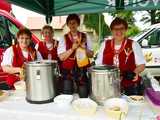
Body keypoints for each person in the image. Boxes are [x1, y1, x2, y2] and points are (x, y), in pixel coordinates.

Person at [96, 17, 146, 95]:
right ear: (112, 31)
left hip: (130, 86)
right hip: (109, 86)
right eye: (115, 29)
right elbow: (99, 65)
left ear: (126, 30)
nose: (119, 31)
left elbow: (142, 64)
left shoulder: (133, 44)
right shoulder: (104, 44)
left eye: (122, 28)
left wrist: (135, 72)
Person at [58, 14, 94, 98]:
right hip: (68, 71)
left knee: (84, 95)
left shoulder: (85, 36)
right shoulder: (64, 38)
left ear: (78, 24)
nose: (72, 25)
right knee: (67, 96)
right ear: (67, 25)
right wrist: (72, 49)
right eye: (70, 23)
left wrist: (85, 49)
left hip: (82, 71)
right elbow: (61, 57)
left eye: (74, 23)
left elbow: (91, 54)